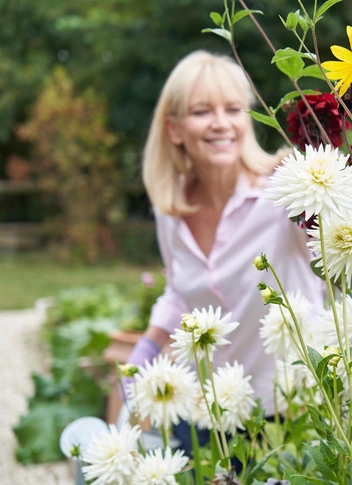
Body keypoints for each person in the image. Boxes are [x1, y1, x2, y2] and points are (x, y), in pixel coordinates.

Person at [127, 50, 323, 451]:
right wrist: (146, 349)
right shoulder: (172, 208)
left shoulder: (286, 188)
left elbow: (340, 254)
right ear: (174, 129)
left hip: (288, 408)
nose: (221, 123)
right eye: (202, 111)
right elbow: (180, 291)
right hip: (203, 410)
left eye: (233, 109)